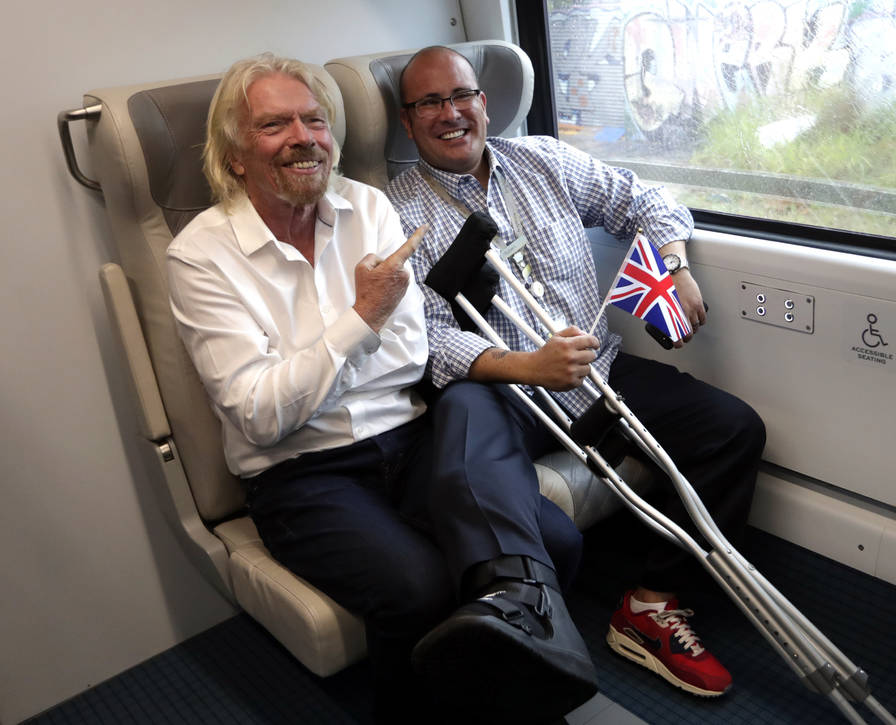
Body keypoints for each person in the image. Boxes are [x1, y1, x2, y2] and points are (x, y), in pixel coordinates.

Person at [166, 53, 597, 723]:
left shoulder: (366, 207)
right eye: (275, 123)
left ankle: (512, 700)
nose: (303, 136)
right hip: (301, 472)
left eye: (315, 119)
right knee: (420, 587)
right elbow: (259, 417)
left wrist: (311, 371)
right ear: (234, 155)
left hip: (408, 433)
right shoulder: (201, 255)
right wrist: (361, 317)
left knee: (560, 542)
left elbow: (411, 354)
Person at [386, 45, 767, 699]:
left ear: (483, 102)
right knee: (460, 411)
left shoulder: (545, 160)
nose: (450, 114)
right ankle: (519, 610)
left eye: (462, 96)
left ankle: (650, 604)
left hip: (599, 370)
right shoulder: (395, 214)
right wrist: (528, 366)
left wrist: (674, 267)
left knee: (734, 428)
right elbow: (426, 342)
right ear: (407, 119)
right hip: (507, 392)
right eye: (430, 102)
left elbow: (646, 202)